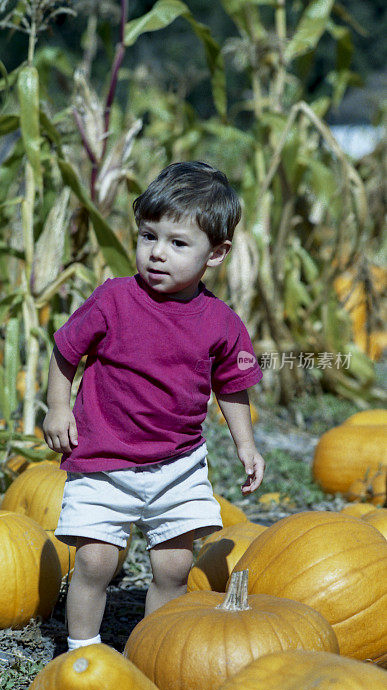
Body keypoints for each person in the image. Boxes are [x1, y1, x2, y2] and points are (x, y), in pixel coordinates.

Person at [43, 161, 265, 652]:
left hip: (178, 463)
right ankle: (82, 654)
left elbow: (232, 385)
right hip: (104, 458)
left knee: (174, 566)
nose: (157, 254)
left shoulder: (221, 323)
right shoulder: (114, 299)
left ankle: (152, 651)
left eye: (177, 243)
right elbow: (65, 351)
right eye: (149, 237)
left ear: (216, 253)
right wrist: (58, 409)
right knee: (96, 562)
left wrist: (246, 445)